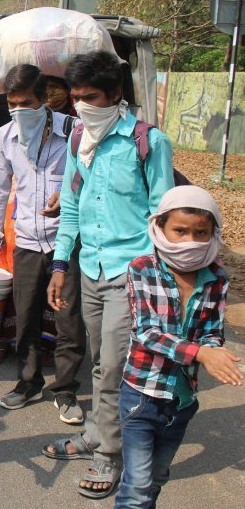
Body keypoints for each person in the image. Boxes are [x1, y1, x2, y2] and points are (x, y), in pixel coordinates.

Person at [44, 51, 175, 499]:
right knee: (100, 362)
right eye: (76, 98)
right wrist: (60, 265)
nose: (81, 105)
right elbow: (73, 207)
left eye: (91, 97)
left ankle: (110, 457)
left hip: (133, 272)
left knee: (117, 367)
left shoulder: (148, 142)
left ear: (116, 94)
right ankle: (96, 435)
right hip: (90, 268)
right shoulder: (78, 138)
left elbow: (163, 212)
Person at [115, 186, 243, 508]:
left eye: (201, 233)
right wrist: (200, 353)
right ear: (161, 228)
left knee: (156, 478)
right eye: (180, 231)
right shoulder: (142, 269)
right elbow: (146, 331)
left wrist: (216, 352)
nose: (190, 241)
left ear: (214, 233)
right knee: (137, 486)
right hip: (141, 396)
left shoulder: (216, 278)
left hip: (182, 402)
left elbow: (212, 331)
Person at [0, 65, 85, 423]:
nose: (19, 109)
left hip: (66, 243)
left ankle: (66, 388)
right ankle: (28, 381)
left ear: (44, 100)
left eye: (26, 102)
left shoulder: (73, 133)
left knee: (68, 319)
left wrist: (68, 190)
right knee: (24, 317)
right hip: (25, 240)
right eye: (12, 103)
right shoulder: (4, 137)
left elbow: (92, 174)